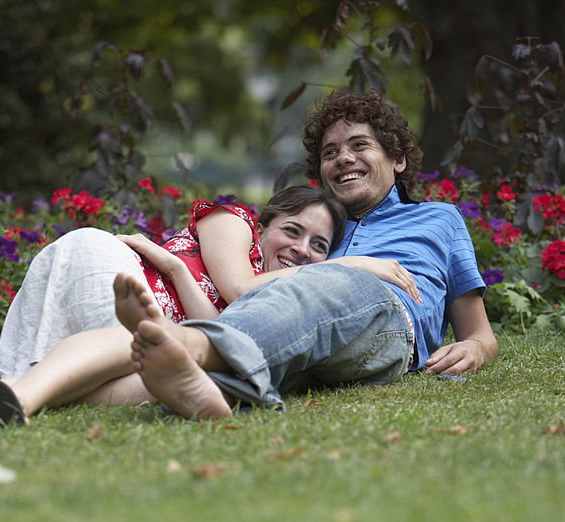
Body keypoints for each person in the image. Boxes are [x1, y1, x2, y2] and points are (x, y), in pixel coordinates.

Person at [0, 181, 419, 420]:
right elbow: (234, 289)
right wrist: (350, 263)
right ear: (266, 222)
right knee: (154, 342)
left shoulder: (277, 288)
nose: (302, 251)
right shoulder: (231, 222)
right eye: (293, 230)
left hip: (159, 325)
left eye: (319, 247)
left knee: (188, 360)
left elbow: (221, 326)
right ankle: (19, 391)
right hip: (110, 269)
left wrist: (172, 270)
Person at [118, 90, 499, 419]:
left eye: (360, 145)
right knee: (273, 331)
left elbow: (479, 332)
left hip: (388, 321)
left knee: (329, 284)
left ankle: (188, 345)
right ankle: (117, 385)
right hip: (302, 337)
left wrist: (476, 348)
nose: (343, 158)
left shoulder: (439, 220)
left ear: (397, 160)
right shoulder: (319, 231)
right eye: (330, 152)